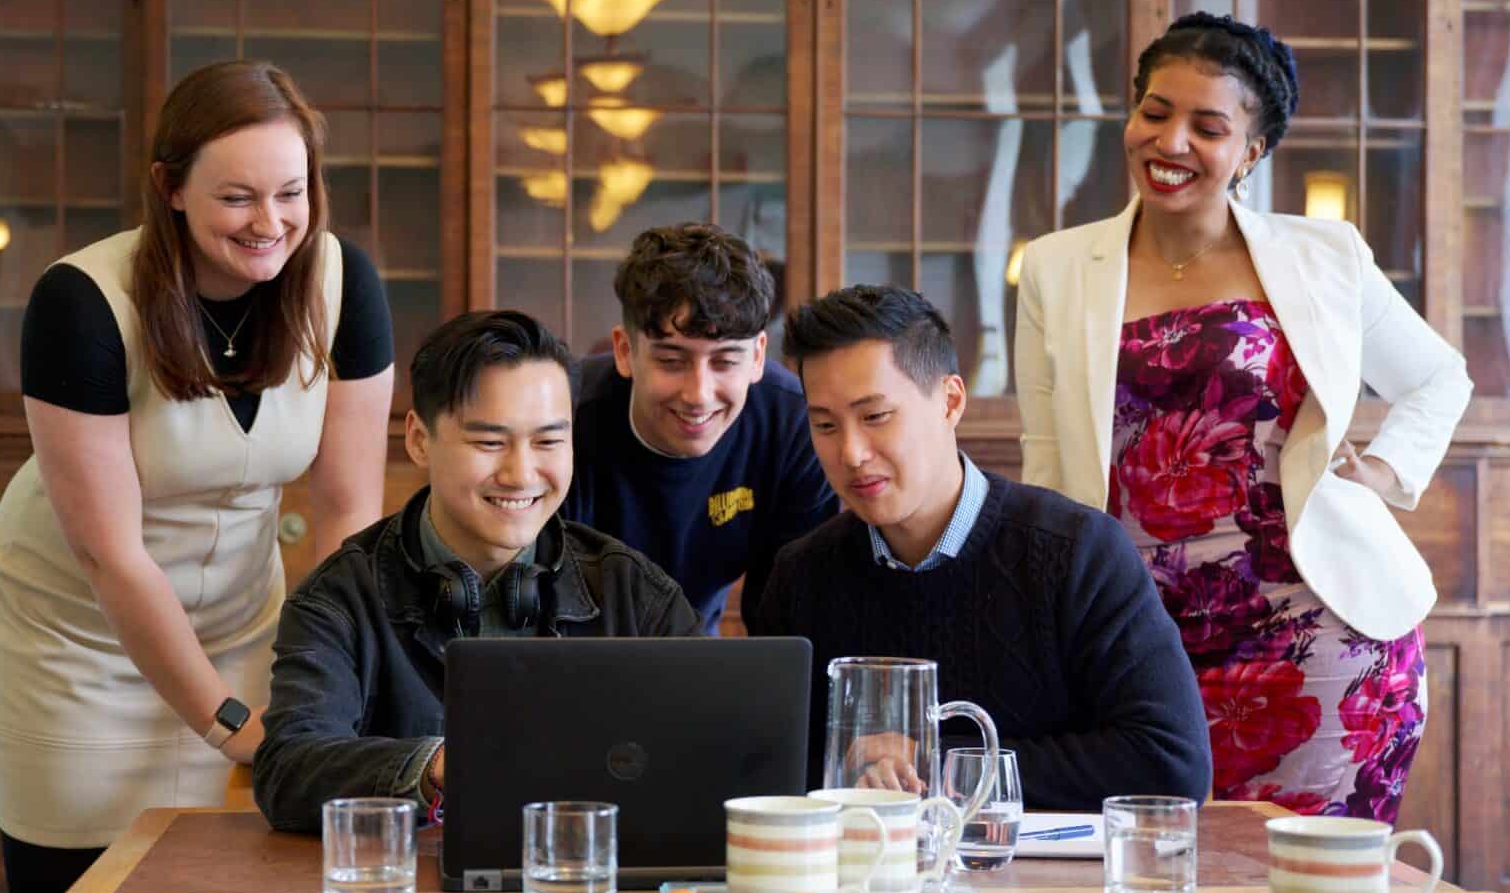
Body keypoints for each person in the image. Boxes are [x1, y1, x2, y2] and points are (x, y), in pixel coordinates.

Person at [0, 61, 396, 893]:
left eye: (293, 192)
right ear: (169, 188)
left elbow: (348, 511)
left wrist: (337, 680)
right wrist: (229, 722)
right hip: (77, 642)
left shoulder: (344, 284)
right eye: (237, 198)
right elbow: (109, 555)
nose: (272, 223)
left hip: (245, 625)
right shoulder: (81, 303)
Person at [1015, 11, 1473, 821]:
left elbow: (1438, 376)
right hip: (1136, 639)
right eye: (1156, 112)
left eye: (1208, 126)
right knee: (1152, 885)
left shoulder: (1324, 255)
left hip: (1318, 634)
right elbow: (1047, 462)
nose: (1171, 141)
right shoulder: (1057, 267)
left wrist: (1384, 471)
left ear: (1252, 151)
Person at [748, 285, 1211, 810]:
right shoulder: (801, 575)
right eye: (825, 425)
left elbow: (1172, 762)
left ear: (950, 401)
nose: (851, 453)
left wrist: (937, 763)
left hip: (1048, 885)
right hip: (867, 878)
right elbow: (762, 769)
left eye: (875, 417)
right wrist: (845, 763)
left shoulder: (1078, 552)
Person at [254, 311, 703, 833]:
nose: (521, 474)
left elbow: (705, 756)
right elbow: (288, 767)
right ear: (420, 440)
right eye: (490, 443)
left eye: (549, 442)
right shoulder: (337, 598)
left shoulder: (636, 593)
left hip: (581, 884)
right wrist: (438, 765)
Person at [563, 223, 834, 633]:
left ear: (758, 356)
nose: (699, 395)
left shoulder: (794, 426)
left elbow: (791, 617)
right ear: (624, 351)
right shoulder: (564, 420)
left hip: (697, 649)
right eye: (672, 361)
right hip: (571, 656)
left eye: (725, 362)